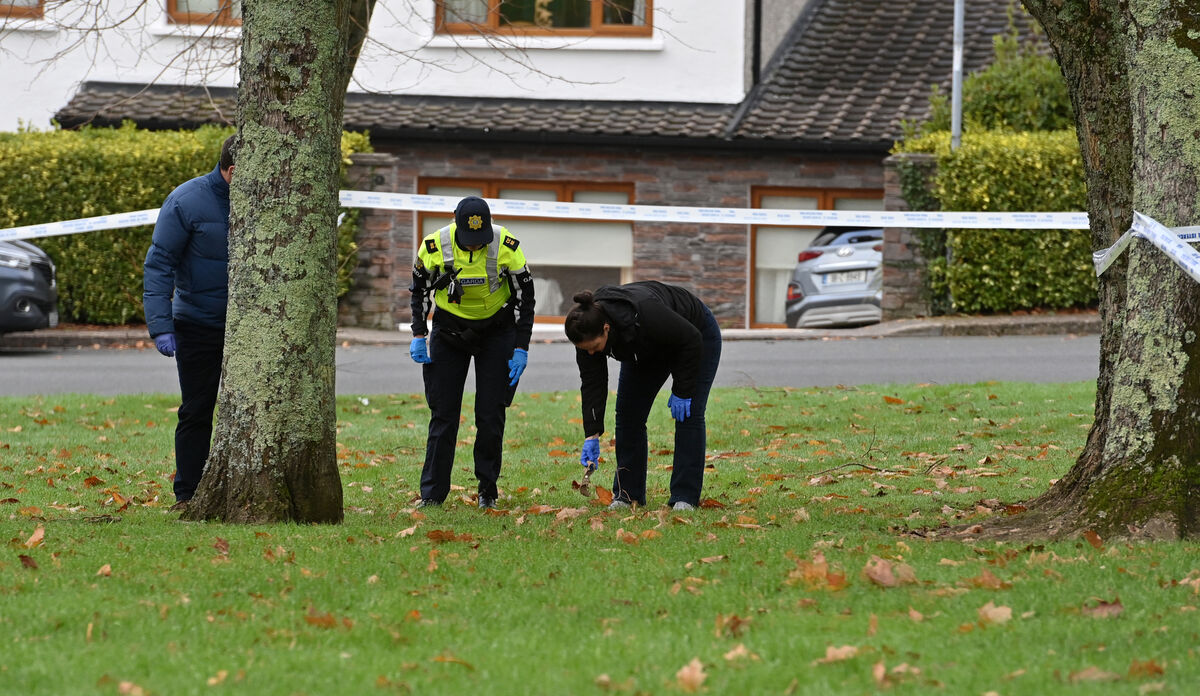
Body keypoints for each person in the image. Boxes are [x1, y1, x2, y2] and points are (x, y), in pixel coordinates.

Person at [408, 196, 536, 509]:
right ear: (456, 226)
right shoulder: (434, 246)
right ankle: (432, 495)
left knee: (491, 414)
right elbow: (420, 291)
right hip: (449, 332)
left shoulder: (506, 245)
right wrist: (419, 334)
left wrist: (521, 347)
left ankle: (487, 492)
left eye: (481, 241)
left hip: (497, 331)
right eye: (470, 242)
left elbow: (525, 298)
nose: (476, 247)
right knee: (443, 414)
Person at [564, 281, 722, 511]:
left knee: (689, 414)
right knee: (628, 416)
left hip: (695, 335)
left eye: (595, 346)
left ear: (606, 329)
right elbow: (592, 383)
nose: (591, 353)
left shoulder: (645, 313)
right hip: (645, 348)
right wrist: (592, 433)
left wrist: (683, 390)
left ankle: (685, 497)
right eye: (585, 349)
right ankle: (628, 495)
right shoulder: (587, 331)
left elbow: (690, 339)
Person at [143, 135, 235, 511]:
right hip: (198, 324)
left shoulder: (269, 202)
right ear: (230, 170)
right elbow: (160, 263)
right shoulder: (186, 201)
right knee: (197, 409)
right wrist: (160, 325)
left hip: (248, 329)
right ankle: (188, 492)